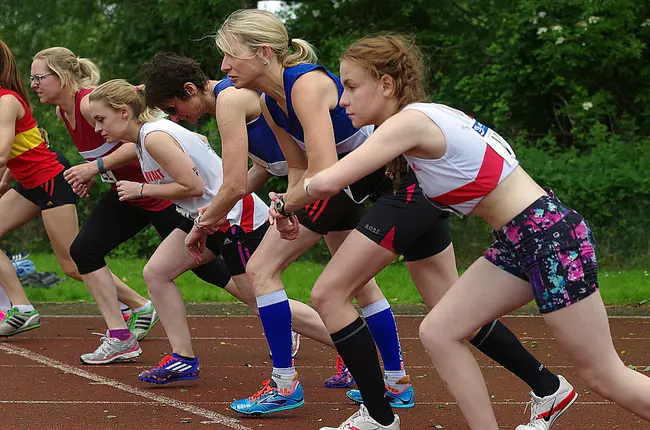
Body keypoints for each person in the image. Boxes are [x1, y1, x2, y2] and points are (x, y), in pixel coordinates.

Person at [305, 34, 650, 429]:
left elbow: (328, 181)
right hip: (522, 239)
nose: (342, 100)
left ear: (386, 84)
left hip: (550, 239)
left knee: (603, 375)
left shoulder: (409, 123)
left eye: (350, 86)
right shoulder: (424, 117)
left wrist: (291, 198)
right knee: (439, 330)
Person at [213, 9, 412, 416]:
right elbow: (301, 169)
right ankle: (396, 381)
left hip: (359, 173)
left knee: (261, 270)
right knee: (358, 282)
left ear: (264, 52)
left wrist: (288, 205)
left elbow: (322, 169)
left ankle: (285, 385)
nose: (223, 66)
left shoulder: (304, 84)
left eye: (230, 55)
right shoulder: (271, 101)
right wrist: (285, 205)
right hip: (344, 178)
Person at [85, 78, 319, 384]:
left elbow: (192, 185)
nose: (97, 128)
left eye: (101, 119)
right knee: (156, 272)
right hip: (206, 218)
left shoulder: (154, 136)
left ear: (124, 112)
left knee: (260, 300)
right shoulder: (147, 138)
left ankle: (347, 340)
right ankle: (183, 358)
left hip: (237, 219)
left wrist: (142, 189)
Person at [140, 51, 352, 383]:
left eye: (172, 109)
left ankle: (345, 358)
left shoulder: (230, 98)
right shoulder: (231, 101)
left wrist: (206, 220)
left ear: (190, 90)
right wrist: (209, 217)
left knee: (269, 285)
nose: (174, 118)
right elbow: (262, 169)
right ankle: (186, 357)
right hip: (306, 189)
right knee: (161, 272)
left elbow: (235, 184)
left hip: (329, 186)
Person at [30, 47, 232, 364]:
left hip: (158, 190)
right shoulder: (62, 113)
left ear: (62, 76)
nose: (33, 84)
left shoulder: (88, 102)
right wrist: (94, 173)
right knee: (84, 250)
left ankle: (277, 313)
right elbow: (108, 148)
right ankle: (120, 336)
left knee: (211, 268)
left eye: (39, 77)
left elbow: (137, 134)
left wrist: (95, 167)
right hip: (128, 193)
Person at [0, 40, 81, 337]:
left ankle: (137, 305)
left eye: (40, 77)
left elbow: (0, 152)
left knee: (74, 265)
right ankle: (21, 309)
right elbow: (20, 150)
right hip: (28, 183)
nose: (35, 84)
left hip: (50, 181)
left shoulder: (6, 100)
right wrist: (6, 181)